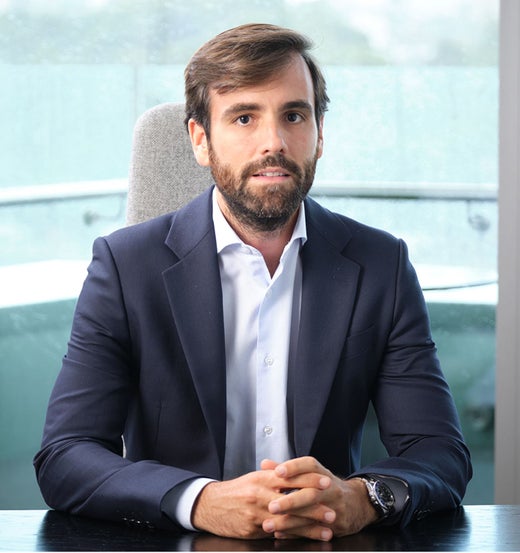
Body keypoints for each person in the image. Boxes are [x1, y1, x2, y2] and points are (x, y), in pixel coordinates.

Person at [34, 23, 472, 542]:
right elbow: (66, 454)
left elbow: (438, 451)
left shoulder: (381, 265)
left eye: (294, 116)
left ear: (320, 134)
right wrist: (199, 501)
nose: (275, 143)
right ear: (201, 140)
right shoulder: (125, 267)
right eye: (244, 117)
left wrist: (362, 498)